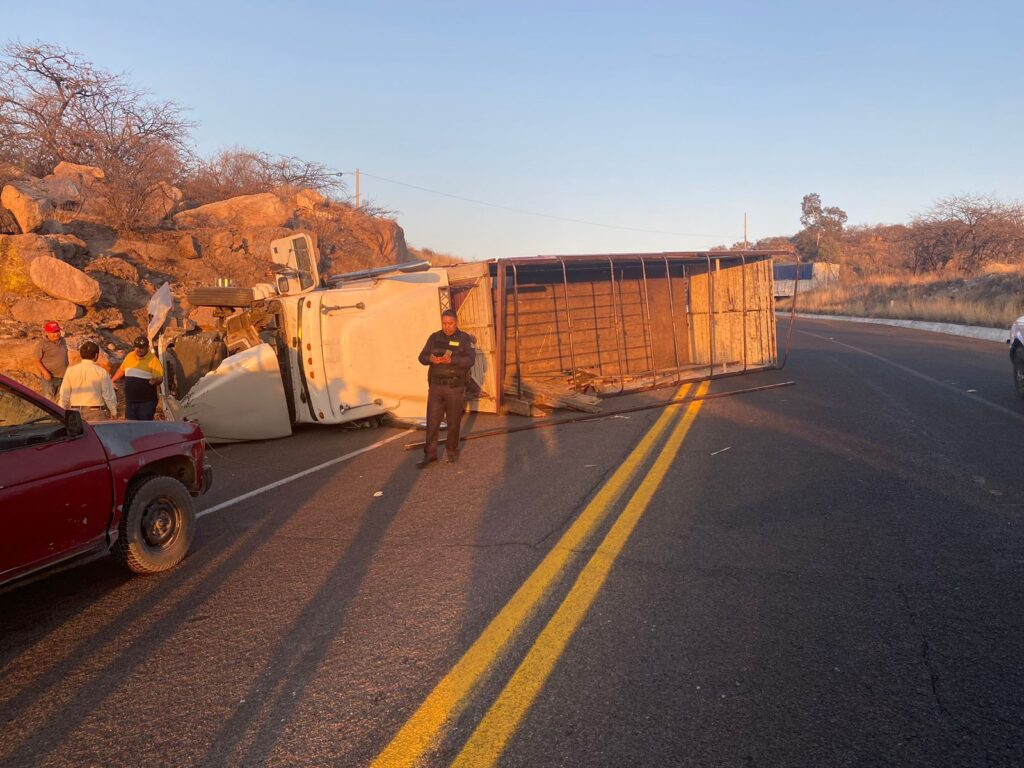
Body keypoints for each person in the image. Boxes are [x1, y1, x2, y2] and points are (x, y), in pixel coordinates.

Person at [417, 309, 476, 467]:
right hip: (436, 386)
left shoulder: (464, 339)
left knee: (453, 421)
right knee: (432, 421)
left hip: (454, 387)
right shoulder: (434, 337)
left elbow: (470, 360)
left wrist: (452, 360)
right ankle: (430, 455)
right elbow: (421, 357)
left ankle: (451, 450)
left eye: (450, 323)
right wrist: (429, 359)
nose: (447, 327)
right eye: (444, 323)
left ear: (456, 323)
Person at [58, 341, 117, 422]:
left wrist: (61, 411)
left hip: (75, 413)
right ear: (96, 355)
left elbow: (64, 394)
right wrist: (113, 411)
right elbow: (108, 395)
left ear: (81, 354)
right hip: (95, 412)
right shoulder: (101, 371)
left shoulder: (70, 370)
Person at [111, 335, 163, 421]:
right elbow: (122, 369)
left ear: (147, 347)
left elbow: (160, 378)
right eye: (136, 347)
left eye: (142, 347)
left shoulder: (154, 360)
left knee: (144, 427)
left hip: (146, 402)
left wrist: (155, 380)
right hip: (130, 401)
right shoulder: (129, 356)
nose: (138, 350)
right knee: (131, 427)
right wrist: (112, 380)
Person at [34, 321, 69, 401]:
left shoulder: (63, 341)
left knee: (61, 400)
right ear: (47, 333)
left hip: (63, 377)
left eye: (57, 331)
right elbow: (36, 361)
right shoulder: (42, 344)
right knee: (48, 400)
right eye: (53, 332)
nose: (56, 334)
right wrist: (45, 373)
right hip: (50, 378)